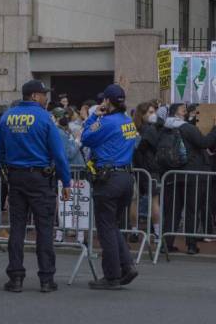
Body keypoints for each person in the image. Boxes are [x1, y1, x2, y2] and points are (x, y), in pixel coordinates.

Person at [0, 79, 71, 293]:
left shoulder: (7, 117)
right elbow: (59, 154)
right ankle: (46, 279)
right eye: (44, 94)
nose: (46, 98)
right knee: (44, 229)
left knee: (17, 228)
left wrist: (4, 175)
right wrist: (66, 181)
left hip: (16, 178)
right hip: (40, 179)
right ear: (34, 96)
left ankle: (15, 277)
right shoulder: (45, 118)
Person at [81, 84, 139, 289]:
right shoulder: (127, 121)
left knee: (106, 228)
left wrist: (92, 116)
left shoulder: (105, 122)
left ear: (107, 101)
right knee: (112, 226)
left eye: (103, 100)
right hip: (126, 177)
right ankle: (127, 265)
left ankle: (112, 275)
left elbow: (85, 138)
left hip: (109, 179)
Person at [161, 103, 216, 255]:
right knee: (192, 210)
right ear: (178, 113)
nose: (186, 112)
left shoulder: (164, 128)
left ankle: (166, 244)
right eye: (183, 110)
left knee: (172, 211)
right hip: (192, 173)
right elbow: (204, 143)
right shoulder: (187, 128)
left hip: (172, 173)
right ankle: (191, 245)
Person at [131, 101, 162, 241]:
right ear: (142, 114)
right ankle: (156, 232)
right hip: (148, 168)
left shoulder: (134, 129)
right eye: (150, 112)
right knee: (152, 201)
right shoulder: (150, 130)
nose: (153, 114)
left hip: (137, 167)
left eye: (153, 111)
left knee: (135, 201)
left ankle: (134, 231)